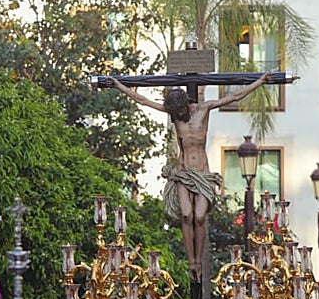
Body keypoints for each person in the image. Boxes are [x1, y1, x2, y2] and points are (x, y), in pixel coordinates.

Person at [109, 72, 271, 280]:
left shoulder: (204, 110)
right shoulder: (174, 115)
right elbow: (143, 100)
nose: (178, 115)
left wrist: (260, 82)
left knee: (200, 216)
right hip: (184, 173)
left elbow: (234, 97)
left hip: (202, 173)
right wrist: (118, 85)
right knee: (186, 215)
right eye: (175, 112)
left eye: (180, 111)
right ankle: (192, 262)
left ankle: (199, 260)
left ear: (187, 104)